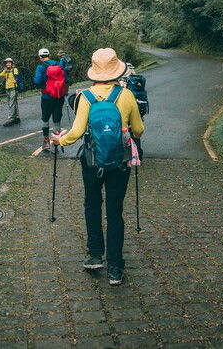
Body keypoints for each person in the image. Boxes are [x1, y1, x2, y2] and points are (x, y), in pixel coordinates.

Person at [52, 48, 145, 286]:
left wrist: (59, 140)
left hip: (91, 161)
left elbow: (76, 132)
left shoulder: (85, 96)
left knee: (92, 204)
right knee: (115, 212)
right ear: (117, 71)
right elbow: (140, 130)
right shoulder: (126, 95)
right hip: (119, 162)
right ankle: (115, 267)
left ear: (94, 72)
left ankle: (94, 255)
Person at [34, 48, 67, 151]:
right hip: (59, 96)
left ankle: (46, 141)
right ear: (49, 55)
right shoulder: (59, 64)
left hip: (46, 97)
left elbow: (36, 81)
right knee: (57, 120)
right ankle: (55, 144)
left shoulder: (41, 67)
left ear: (40, 57)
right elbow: (67, 79)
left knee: (45, 119)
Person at [0, 57, 21, 127]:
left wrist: (16, 80)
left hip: (13, 88)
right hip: (7, 89)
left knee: (11, 103)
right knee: (13, 103)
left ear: (12, 63)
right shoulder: (5, 71)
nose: (8, 64)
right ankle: (16, 117)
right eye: (7, 63)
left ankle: (10, 119)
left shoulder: (15, 69)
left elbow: (16, 76)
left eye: (9, 62)